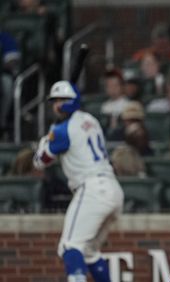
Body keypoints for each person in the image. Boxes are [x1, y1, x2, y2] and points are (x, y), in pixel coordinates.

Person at [33, 81, 124, 282]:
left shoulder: (62, 130)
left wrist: (45, 140)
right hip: (113, 190)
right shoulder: (89, 119)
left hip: (91, 188)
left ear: (70, 103)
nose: (57, 104)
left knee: (69, 246)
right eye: (55, 100)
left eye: (61, 100)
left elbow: (41, 161)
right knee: (90, 251)